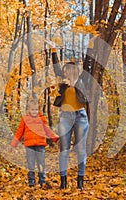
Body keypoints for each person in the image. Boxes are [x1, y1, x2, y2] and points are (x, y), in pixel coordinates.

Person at [51, 48, 90, 190]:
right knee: (64, 150)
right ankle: (63, 182)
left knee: (81, 150)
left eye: (67, 70)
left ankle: (80, 181)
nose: (65, 72)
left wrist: (91, 47)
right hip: (65, 117)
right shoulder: (63, 82)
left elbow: (88, 67)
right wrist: (53, 50)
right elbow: (56, 68)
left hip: (80, 116)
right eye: (64, 70)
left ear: (73, 70)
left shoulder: (81, 81)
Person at [10, 99, 59, 187]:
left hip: (40, 145)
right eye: (32, 110)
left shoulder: (42, 119)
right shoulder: (25, 119)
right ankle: (31, 182)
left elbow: (47, 130)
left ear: (38, 110)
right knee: (31, 164)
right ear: (29, 109)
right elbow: (19, 132)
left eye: (36, 110)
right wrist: (14, 143)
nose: (34, 112)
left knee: (41, 164)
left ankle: (42, 181)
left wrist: (55, 138)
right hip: (29, 146)